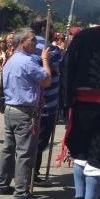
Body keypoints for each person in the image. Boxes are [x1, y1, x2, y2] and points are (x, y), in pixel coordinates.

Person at [0, 28, 52, 199]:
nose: (35, 43)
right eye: (31, 40)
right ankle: (21, 192)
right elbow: (47, 80)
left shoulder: (11, 60)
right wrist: (45, 60)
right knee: (25, 153)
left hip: (11, 109)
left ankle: (2, 183)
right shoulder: (27, 62)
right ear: (21, 42)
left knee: (8, 149)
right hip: (24, 112)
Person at [62, 26, 100, 199]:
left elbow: (67, 65)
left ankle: (79, 196)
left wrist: (66, 99)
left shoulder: (82, 36)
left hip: (80, 103)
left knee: (81, 150)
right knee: (96, 153)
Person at [31, 16, 62, 186]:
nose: (53, 31)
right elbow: (58, 66)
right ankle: (31, 175)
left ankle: (31, 174)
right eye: (51, 28)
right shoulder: (49, 48)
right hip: (46, 102)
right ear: (44, 29)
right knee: (40, 141)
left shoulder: (29, 46)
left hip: (34, 102)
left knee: (35, 141)